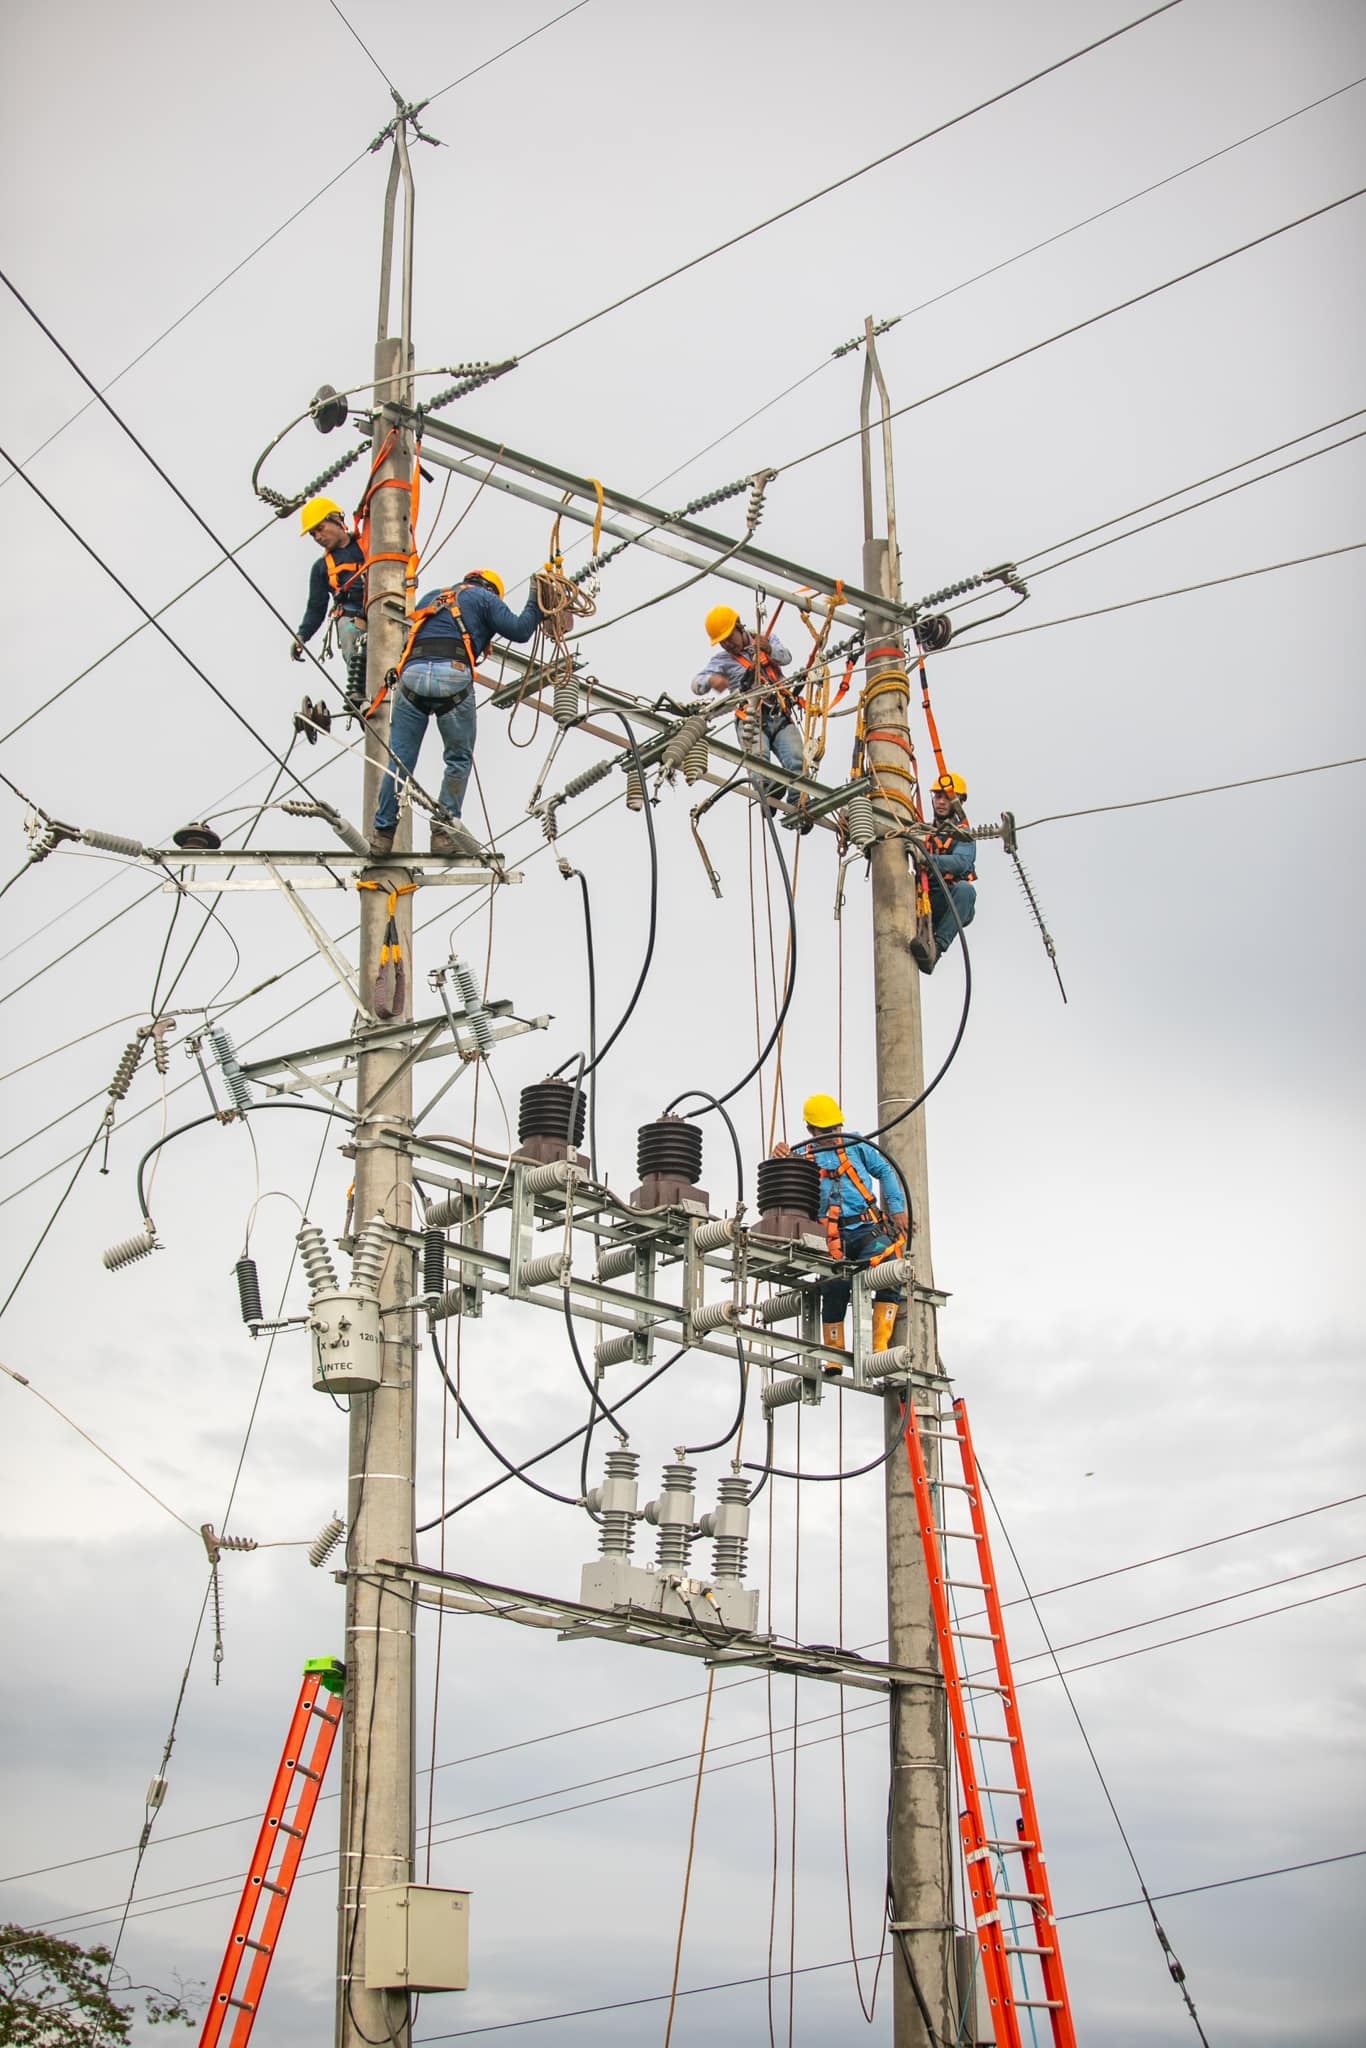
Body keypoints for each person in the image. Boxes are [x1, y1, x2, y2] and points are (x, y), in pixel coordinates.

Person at [370, 569, 548, 860]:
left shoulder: (433, 597)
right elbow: (520, 630)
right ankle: (442, 832)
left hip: (411, 675)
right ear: (491, 589)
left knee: (400, 760)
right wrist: (536, 598)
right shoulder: (484, 599)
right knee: (458, 758)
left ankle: (382, 835)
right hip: (451, 676)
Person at [773, 1093, 908, 1364]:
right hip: (831, 1238)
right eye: (827, 1130)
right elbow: (783, 1185)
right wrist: (780, 1158)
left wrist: (898, 1209)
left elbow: (884, 1170)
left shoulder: (856, 1145)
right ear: (811, 1130)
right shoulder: (802, 1154)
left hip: (866, 1230)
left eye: (836, 1128)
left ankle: (879, 1343)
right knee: (835, 1286)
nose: (834, 1134)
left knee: (889, 1268)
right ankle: (834, 1354)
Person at [690, 604, 813, 823]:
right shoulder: (722, 661)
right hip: (750, 720)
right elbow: (696, 684)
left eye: (730, 637)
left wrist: (769, 650)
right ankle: (768, 795)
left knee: (797, 762)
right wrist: (712, 680)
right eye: (723, 641)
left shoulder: (765, 639)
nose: (728, 644)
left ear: (739, 627)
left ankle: (798, 809)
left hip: (780, 715)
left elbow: (786, 658)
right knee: (759, 768)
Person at [292, 497, 367, 704]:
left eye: (320, 529)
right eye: (313, 534)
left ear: (336, 520)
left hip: (382, 606)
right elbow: (316, 608)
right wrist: (302, 635)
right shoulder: (321, 568)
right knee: (350, 634)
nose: (318, 537)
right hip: (352, 615)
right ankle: (360, 693)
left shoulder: (370, 543)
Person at [911, 771, 976, 974]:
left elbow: (961, 862)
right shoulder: (922, 830)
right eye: (938, 796)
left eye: (946, 797)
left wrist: (930, 860)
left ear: (958, 802)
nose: (940, 802)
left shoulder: (964, 835)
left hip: (949, 898)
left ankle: (935, 949)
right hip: (924, 896)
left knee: (966, 891)